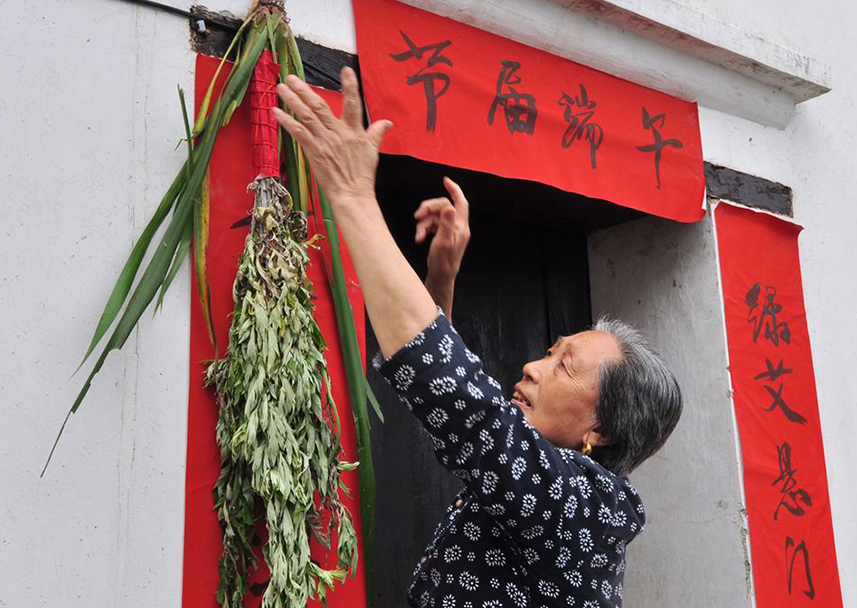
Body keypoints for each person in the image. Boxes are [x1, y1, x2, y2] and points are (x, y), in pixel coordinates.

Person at [273, 68, 683, 608]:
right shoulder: (537, 490)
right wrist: (440, 280)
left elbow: (466, 409)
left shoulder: (588, 510)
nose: (533, 366)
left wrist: (352, 196)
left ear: (600, 431)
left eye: (565, 365)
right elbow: (450, 406)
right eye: (550, 352)